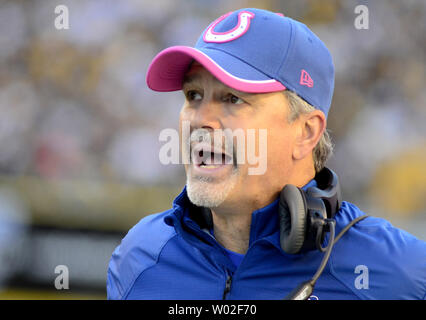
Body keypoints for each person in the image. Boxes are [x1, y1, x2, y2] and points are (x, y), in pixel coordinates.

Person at [107, 8, 426, 300]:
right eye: (193, 95)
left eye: (232, 99)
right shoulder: (140, 257)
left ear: (306, 132)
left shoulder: (399, 275)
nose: (200, 120)